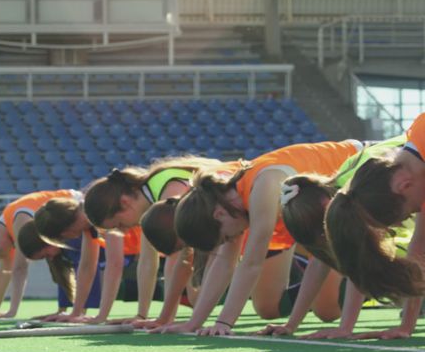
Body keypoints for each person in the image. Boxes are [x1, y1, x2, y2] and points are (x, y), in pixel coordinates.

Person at [157, 139, 363, 336]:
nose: (231, 240)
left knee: (331, 303)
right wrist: (194, 323)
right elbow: (225, 263)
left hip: (362, 165)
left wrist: (223, 323)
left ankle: (380, 286)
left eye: (225, 238)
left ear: (218, 215)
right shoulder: (230, 204)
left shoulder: (262, 188)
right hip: (325, 205)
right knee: (326, 311)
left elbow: (251, 263)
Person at [261, 133, 413, 340]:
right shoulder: (334, 194)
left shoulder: (363, 191)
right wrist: (291, 324)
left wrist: (405, 326)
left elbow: (412, 246)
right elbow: (319, 263)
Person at [82, 156, 220, 325]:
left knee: (196, 294)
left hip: (239, 220)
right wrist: (141, 315)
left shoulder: (166, 193)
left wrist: (165, 318)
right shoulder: (149, 205)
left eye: (119, 224)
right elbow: (147, 262)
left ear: (125, 203)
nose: (124, 231)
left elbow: (179, 257)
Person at [323, 113, 425, 338]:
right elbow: (419, 247)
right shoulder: (414, 166)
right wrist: (406, 327)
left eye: (412, 211)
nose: (419, 211)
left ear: (403, 186)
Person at [0, 189, 81, 318]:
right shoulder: (4, 231)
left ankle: (74, 311)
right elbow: (4, 272)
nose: (5, 258)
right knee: (54, 257)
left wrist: (11, 312)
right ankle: (65, 310)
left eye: (0, 255)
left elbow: (20, 268)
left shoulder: (19, 221)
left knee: (60, 256)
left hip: (76, 206)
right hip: (67, 216)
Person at [32, 194, 142, 323]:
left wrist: (101, 316)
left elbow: (114, 264)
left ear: (64, 230)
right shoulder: (87, 223)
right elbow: (87, 265)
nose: (69, 239)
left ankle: (145, 315)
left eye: (62, 237)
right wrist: (75, 312)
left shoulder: (99, 212)